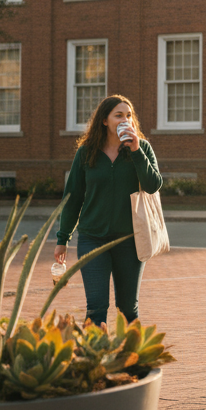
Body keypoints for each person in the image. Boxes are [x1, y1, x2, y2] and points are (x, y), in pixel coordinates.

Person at [54, 95, 162, 327]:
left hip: (130, 240)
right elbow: (72, 198)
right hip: (93, 239)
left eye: (129, 116)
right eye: (118, 115)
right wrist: (63, 239)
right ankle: (96, 350)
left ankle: (132, 350)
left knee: (127, 309)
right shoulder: (86, 153)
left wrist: (135, 150)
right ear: (104, 120)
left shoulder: (142, 147)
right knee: (96, 307)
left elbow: (153, 185)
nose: (125, 120)